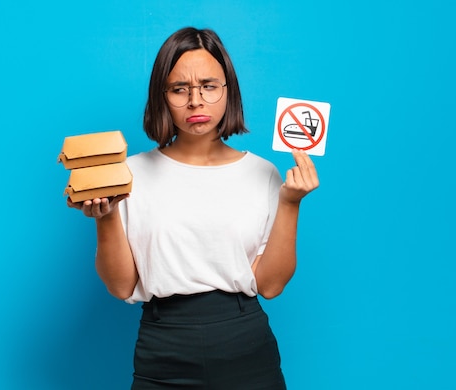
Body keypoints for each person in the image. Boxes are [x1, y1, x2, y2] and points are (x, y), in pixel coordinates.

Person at [67, 26, 319, 389]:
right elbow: (122, 287)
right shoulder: (129, 174)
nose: (195, 101)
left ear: (228, 91)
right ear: (162, 96)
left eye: (209, 86)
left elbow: (271, 285)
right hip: (162, 344)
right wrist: (105, 218)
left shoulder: (263, 173)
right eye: (179, 89)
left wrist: (290, 203)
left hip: (244, 343)